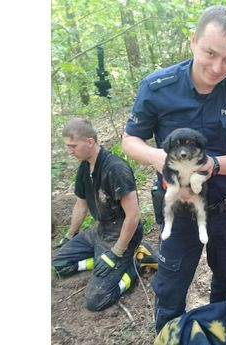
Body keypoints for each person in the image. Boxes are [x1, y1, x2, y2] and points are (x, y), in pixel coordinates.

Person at [121, 5, 226, 332]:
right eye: (210, 53)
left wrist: (213, 165)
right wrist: (159, 159)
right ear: (193, 41)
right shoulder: (158, 87)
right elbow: (130, 141)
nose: (217, 67)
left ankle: (219, 335)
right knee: (170, 290)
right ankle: (168, 337)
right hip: (179, 213)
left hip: (223, 212)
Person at [52, 118, 155, 311]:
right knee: (59, 264)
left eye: (73, 146)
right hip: (100, 230)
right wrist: (69, 236)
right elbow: (81, 205)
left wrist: (115, 252)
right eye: (68, 146)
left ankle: (137, 262)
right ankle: (101, 260)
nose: (70, 151)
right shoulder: (84, 167)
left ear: (90, 142)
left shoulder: (116, 168)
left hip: (122, 233)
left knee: (97, 300)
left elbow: (133, 216)